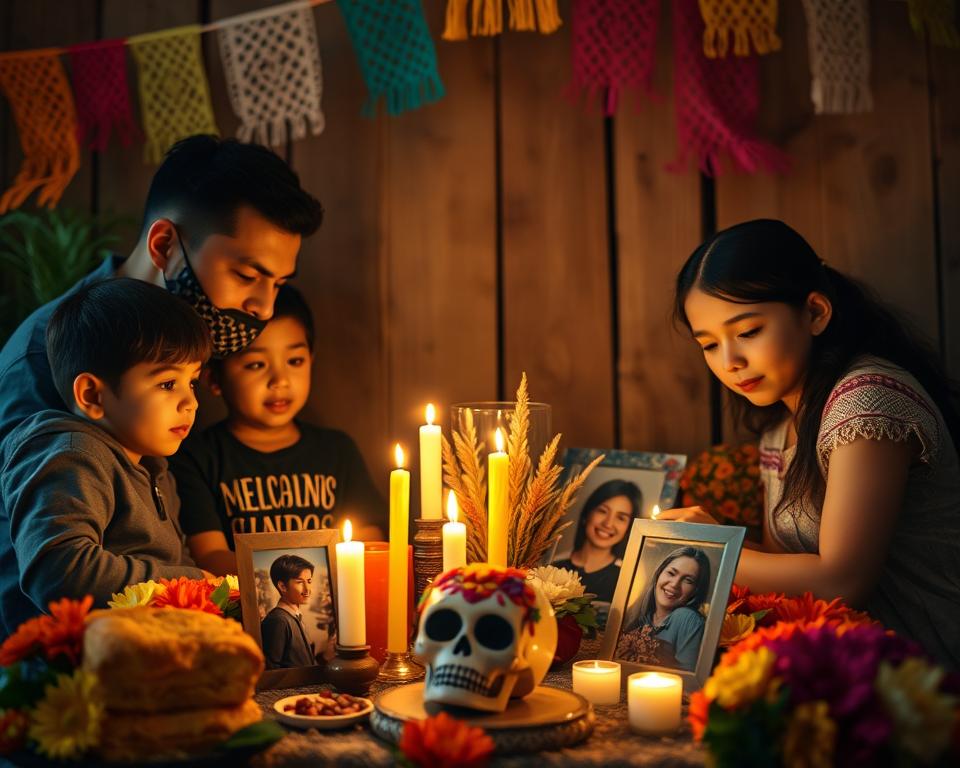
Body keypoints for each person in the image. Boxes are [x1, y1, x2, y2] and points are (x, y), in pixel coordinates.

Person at [657, 218, 960, 669]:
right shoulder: (781, 428)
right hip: (835, 661)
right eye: (708, 344)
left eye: (748, 332)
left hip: (921, 676)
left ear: (815, 312)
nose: (730, 362)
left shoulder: (868, 402)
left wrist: (709, 548)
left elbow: (843, 579)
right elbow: (789, 576)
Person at [0, 134, 324, 443]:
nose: (265, 309)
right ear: (166, 245)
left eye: (278, 284)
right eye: (245, 275)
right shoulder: (43, 360)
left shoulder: (202, 344)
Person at [0, 279, 210, 635]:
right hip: (73, 672)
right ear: (92, 395)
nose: (190, 402)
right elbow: (60, 571)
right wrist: (192, 583)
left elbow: (177, 559)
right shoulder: (70, 455)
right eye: (166, 384)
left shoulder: (155, 468)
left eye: (192, 381)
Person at [169, 286, 387, 575]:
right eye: (256, 364)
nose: (280, 380)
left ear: (312, 359)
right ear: (214, 379)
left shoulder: (337, 450)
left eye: (295, 361)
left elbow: (370, 541)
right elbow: (210, 557)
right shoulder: (196, 456)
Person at [616, 547, 711, 671]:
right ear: (659, 573)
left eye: (688, 580)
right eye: (671, 573)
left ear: (696, 590)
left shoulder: (687, 618)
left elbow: (688, 681)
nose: (674, 584)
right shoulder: (638, 615)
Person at [552, 479, 643, 603]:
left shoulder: (628, 581)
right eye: (602, 511)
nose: (608, 523)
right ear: (586, 515)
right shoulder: (552, 565)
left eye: (621, 518)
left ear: (629, 528)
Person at [261, 554, 316, 669]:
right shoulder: (278, 620)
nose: (307, 589)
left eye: (309, 581)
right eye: (300, 582)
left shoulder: (294, 616)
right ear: (282, 586)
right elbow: (271, 669)